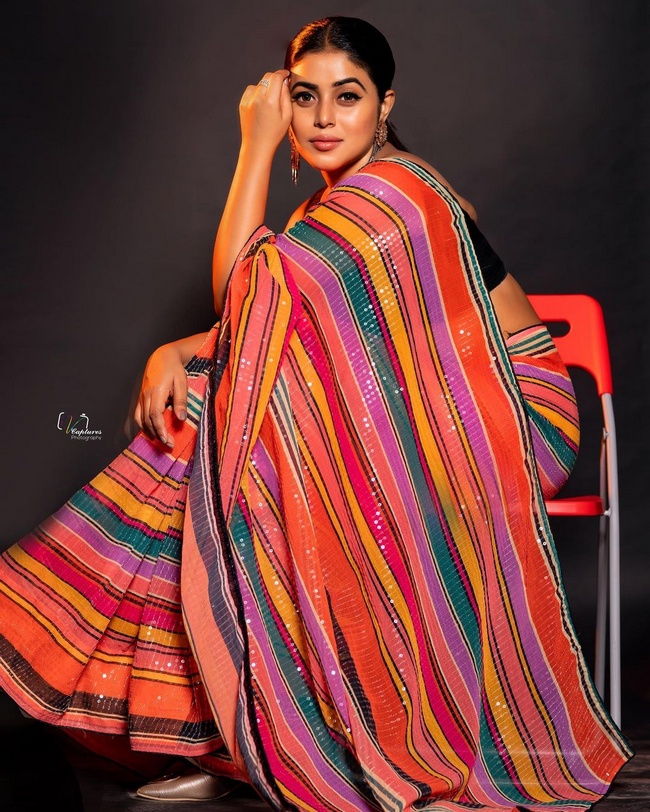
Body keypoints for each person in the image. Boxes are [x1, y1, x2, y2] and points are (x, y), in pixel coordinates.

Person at [0, 16, 631, 811]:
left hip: (505, 418)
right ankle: (232, 730)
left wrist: (255, 146)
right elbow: (262, 325)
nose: (325, 118)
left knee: (236, 432)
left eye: (348, 96)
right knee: (225, 431)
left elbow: (243, 299)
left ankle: (216, 726)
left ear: (384, 106)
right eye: (304, 98)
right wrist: (173, 353)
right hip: (412, 413)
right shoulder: (320, 217)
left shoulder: (400, 195)